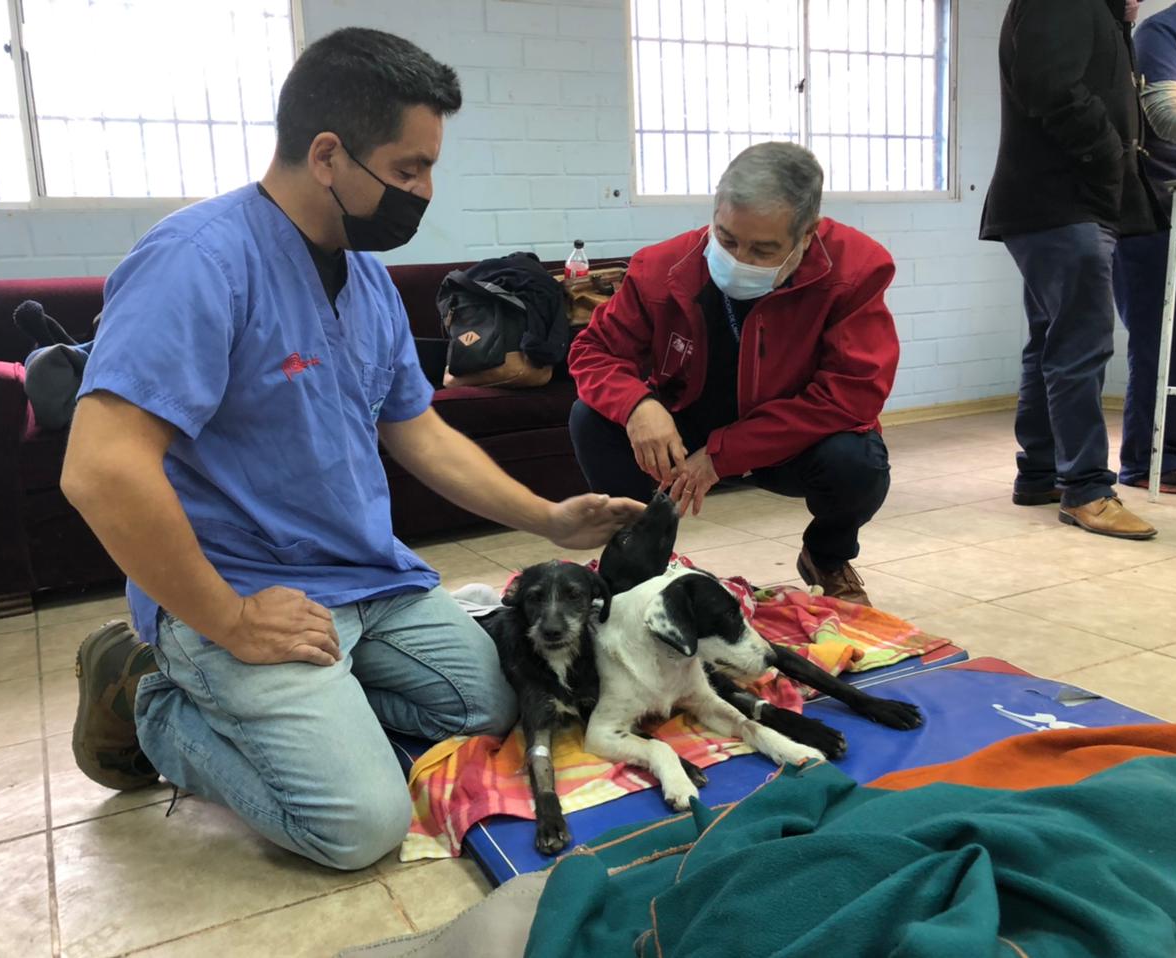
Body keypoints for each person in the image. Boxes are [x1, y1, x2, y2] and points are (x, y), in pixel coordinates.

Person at [61, 28, 641, 871]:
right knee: (359, 828)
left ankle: (316, 705)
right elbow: (100, 469)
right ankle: (152, 698)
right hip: (244, 592)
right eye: (408, 170)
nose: (425, 191)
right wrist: (227, 618)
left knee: (493, 711)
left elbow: (419, 429)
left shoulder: (362, 273)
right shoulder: (199, 261)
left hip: (368, 577)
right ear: (327, 154)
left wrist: (549, 518)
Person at [568, 142, 898, 607]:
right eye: (726, 239)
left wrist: (724, 455)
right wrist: (638, 405)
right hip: (686, 426)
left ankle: (827, 556)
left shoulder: (856, 270)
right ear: (715, 214)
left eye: (764, 250)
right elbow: (593, 351)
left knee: (859, 461)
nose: (740, 258)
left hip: (786, 439)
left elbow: (853, 394)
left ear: (807, 236)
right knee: (591, 417)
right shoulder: (661, 267)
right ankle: (640, 560)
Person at [981, 0, 1164, 538]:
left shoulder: (1097, 9)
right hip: (1065, 201)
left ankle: (1040, 473)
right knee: (1080, 346)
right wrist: (1108, 157)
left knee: (1053, 342)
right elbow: (1051, 87)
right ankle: (1086, 489)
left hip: (1062, 203)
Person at [1113, 0, 1176, 493]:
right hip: (1157, 212)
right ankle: (1148, 460)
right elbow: (1167, 117)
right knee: (1164, 344)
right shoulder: (1161, 34)